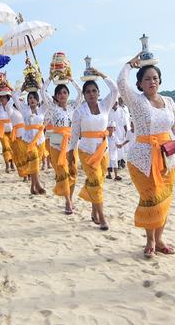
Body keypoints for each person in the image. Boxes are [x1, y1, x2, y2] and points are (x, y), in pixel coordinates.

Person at [118, 55, 175, 258]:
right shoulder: (136, 101)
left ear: (160, 80)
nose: (152, 82)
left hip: (167, 159)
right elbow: (120, 82)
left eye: (155, 78)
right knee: (151, 199)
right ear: (139, 84)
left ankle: (159, 239)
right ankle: (150, 240)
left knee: (164, 200)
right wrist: (129, 64)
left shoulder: (169, 101)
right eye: (147, 79)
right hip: (142, 160)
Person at [67, 68, 118, 231]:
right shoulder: (79, 111)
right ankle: (102, 218)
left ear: (98, 92)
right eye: (88, 91)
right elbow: (74, 133)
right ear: (84, 94)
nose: (91, 94)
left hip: (103, 150)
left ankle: (94, 211)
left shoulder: (105, 106)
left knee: (99, 182)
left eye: (94, 90)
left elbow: (115, 89)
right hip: (86, 151)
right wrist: (70, 152)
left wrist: (102, 74)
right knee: (95, 181)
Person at [40, 77, 83, 214]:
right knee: (62, 172)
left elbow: (81, 94)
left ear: (68, 94)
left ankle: (70, 198)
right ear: (56, 96)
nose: (62, 95)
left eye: (64, 92)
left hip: (71, 142)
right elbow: (42, 90)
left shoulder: (72, 108)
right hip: (56, 141)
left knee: (73, 171)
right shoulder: (52, 108)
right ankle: (67, 202)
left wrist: (71, 80)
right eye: (59, 93)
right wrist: (50, 77)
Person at [12, 89, 47, 194]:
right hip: (28, 140)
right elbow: (14, 96)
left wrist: (40, 88)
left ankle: (32, 187)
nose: (32, 100)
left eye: (34, 98)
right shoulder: (24, 109)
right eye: (30, 98)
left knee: (36, 163)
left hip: (40, 140)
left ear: (37, 99)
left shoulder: (42, 110)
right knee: (34, 160)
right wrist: (22, 89)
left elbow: (48, 99)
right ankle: (38, 185)